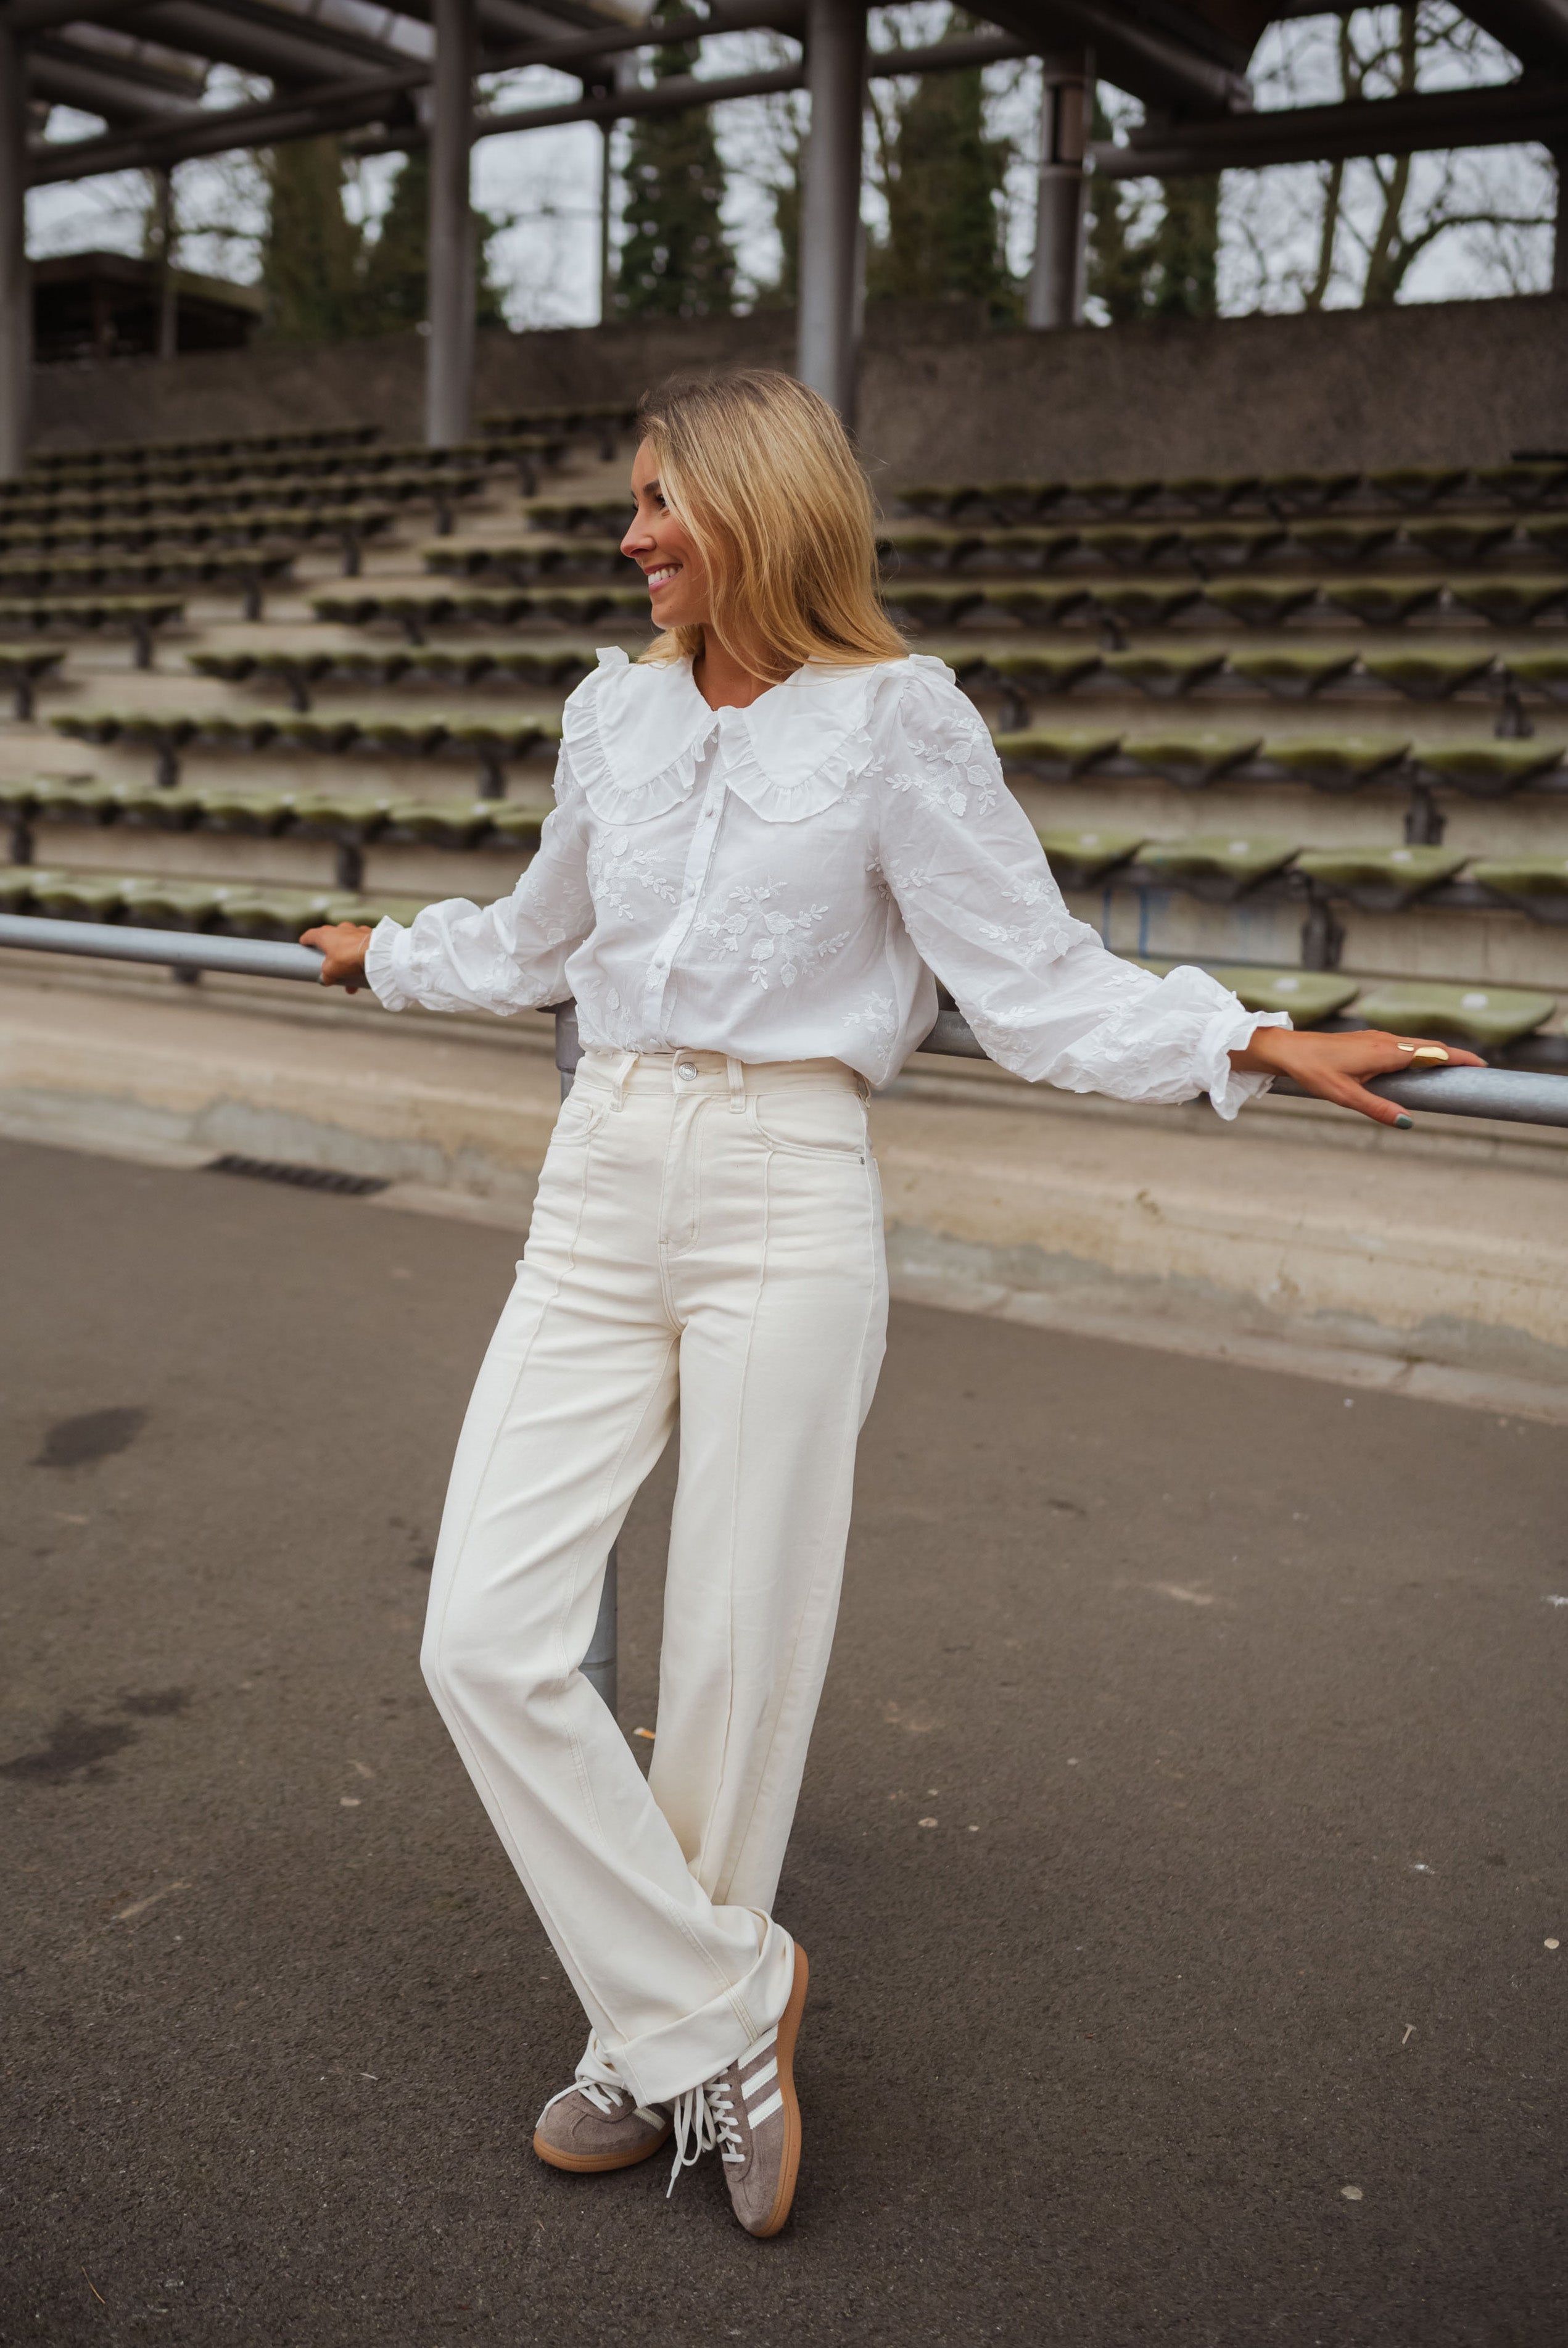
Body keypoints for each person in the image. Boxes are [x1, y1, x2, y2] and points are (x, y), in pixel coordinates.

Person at [301, 370, 1477, 2239]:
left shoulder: (896, 725)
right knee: (483, 1639)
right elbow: (543, 942)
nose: (633, 539)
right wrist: (391, 961)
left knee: (739, 1663)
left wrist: (1237, 1033)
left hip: (784, 1182)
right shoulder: (611, 710)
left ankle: (641, 2041)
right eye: (631, 506)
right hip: (600, 1176)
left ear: (763, 509)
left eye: (664, 504)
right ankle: (717, 2003)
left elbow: (1031, 979)